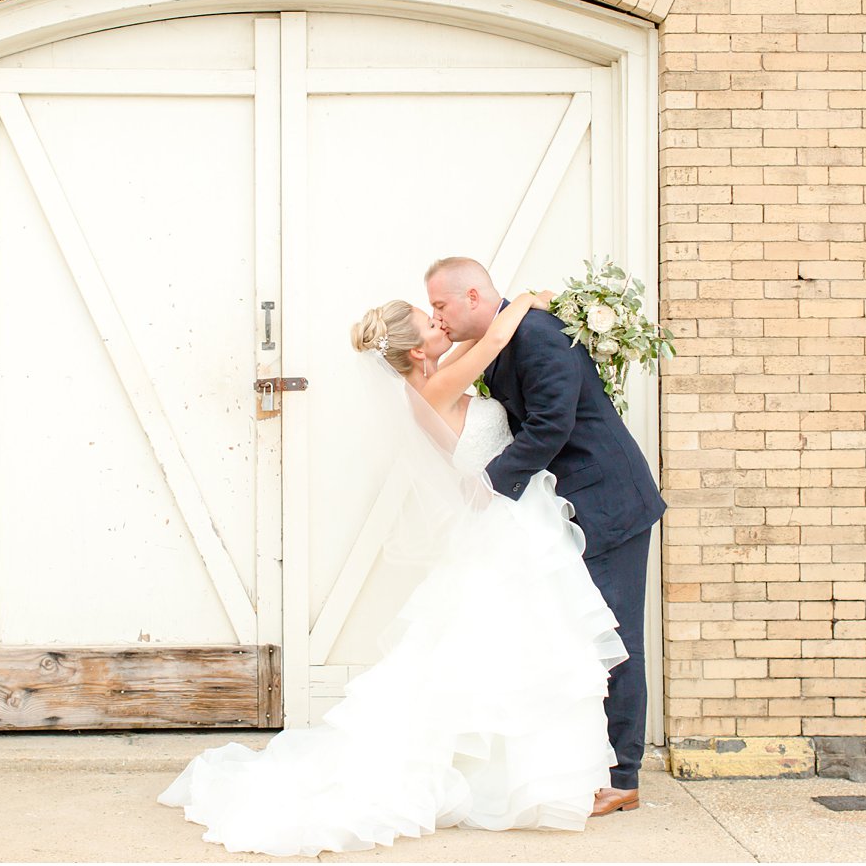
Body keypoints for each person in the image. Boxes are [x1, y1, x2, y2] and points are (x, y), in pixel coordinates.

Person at [157, 291, 629, 857]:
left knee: (511, 645)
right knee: (519, 641)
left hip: (509, 514)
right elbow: (497, 337)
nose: (440, 323)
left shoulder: (433, 379)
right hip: (508, 522)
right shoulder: (432, 386)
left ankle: (528, 772)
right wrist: (527, 298)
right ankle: (518, 776)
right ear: (413, 349)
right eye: (430, 321)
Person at [425, 256, 667, 816]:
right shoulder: (509, 333)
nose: (438, 318)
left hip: (608, 503)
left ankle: (624, 776)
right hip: (564, 509)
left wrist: (491, 483)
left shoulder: (536, 335)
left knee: (616, 635)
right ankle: (589, 760)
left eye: (441, 305)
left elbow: (551, 424)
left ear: (474, 297)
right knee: (578, 635)